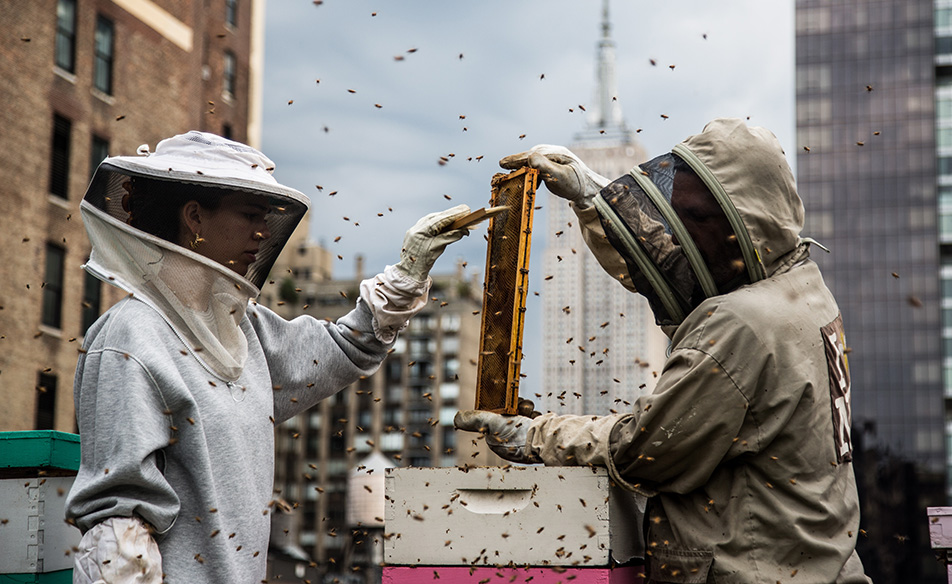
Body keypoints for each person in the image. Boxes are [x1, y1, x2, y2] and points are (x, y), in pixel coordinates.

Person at [455, 118, 871, 583]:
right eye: (678, 215)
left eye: (695, 219)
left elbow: (644, 450)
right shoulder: (802, 287)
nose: (683, 234)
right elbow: (671, 271)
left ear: (743, 220)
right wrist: (594, 197)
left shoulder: (742, 325)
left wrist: (533, 437)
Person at [65, 131, 471, 583]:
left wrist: (408, 273)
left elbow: (346, 347)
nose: (262, 232)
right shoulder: (131, 337)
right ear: (195, 217)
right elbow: (118, 527)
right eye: (249, 215)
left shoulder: (246, 329)